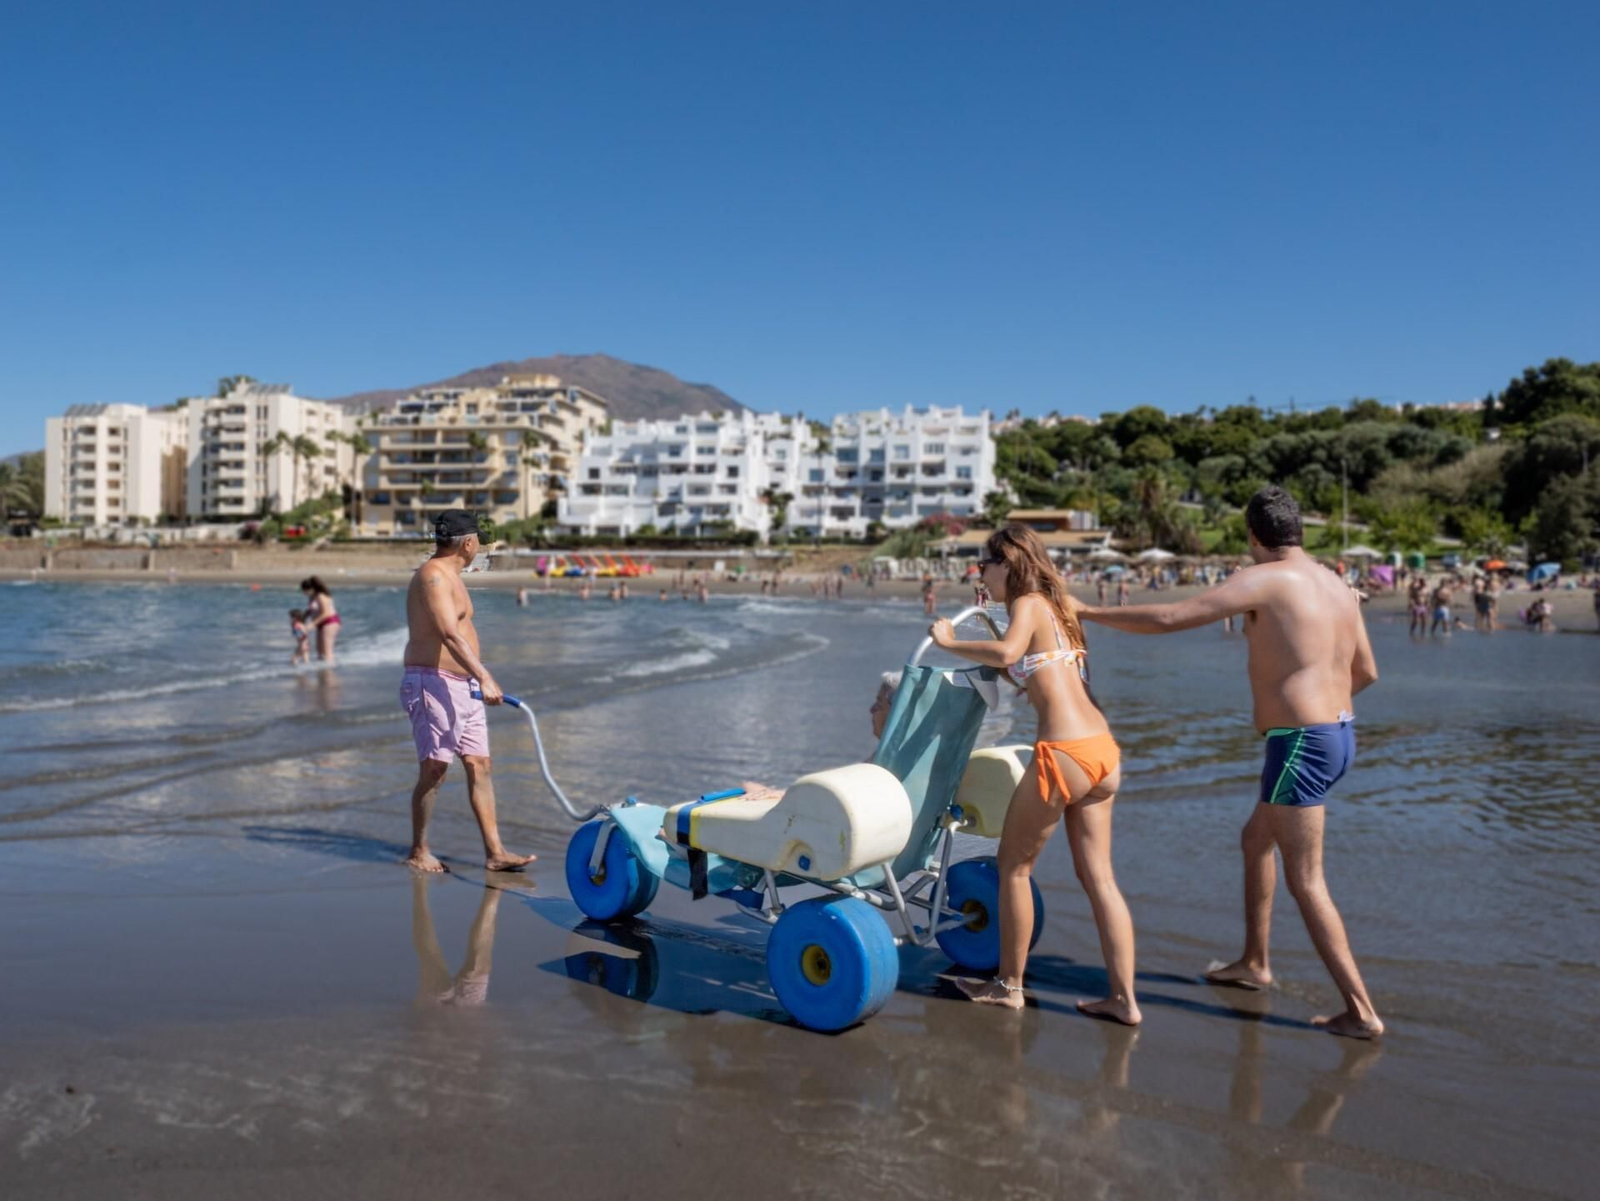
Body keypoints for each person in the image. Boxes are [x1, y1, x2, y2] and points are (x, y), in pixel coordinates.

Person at [1081, 486, 1382, 1039]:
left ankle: (1361, 1011)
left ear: (1252, 535)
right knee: (1254, 841)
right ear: (1299, 533)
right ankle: (1254, 961)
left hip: (1301, 744)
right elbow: (1366, 671)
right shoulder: (1337, 586)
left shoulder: (1263, 578)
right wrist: (1319, 708)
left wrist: (1087, 611)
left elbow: (1171, 617)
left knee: (1307, 879)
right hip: (1336, 736)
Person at [930, 524, 1139, 1024]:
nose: (982, 572)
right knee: (1101, 880)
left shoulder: (1028, 604)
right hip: (1101, 753)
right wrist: (988, 616)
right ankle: (1125, 1001)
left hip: (1062, 753)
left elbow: (1005, 656)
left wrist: (951, 641)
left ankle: (1009, 986)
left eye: (986, 564)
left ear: (1009, 563)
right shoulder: (1057, 608)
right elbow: (1020, 665)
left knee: (1013, 867)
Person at [400, 509, 533, 875]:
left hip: (465, 686)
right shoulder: (433, 576)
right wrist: (486, 676)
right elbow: (448, 633)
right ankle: (419, 850)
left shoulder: (453, 576)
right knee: (435, 768)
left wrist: (476, 679)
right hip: (433, 682)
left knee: (480, 764)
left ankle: (496, 852)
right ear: (470, 543)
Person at [300, 576, 340, 662]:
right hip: (320, 623)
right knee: (320, 652)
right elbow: (311, 609)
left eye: (305, 590)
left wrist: (312, 624)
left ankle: (330, 673)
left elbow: (325, 613)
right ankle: (321, 673)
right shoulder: (312, 597)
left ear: (312, 589)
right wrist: (303, 617)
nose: (304, 593)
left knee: (327, 651)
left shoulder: (321, 596)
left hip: (330, 622)